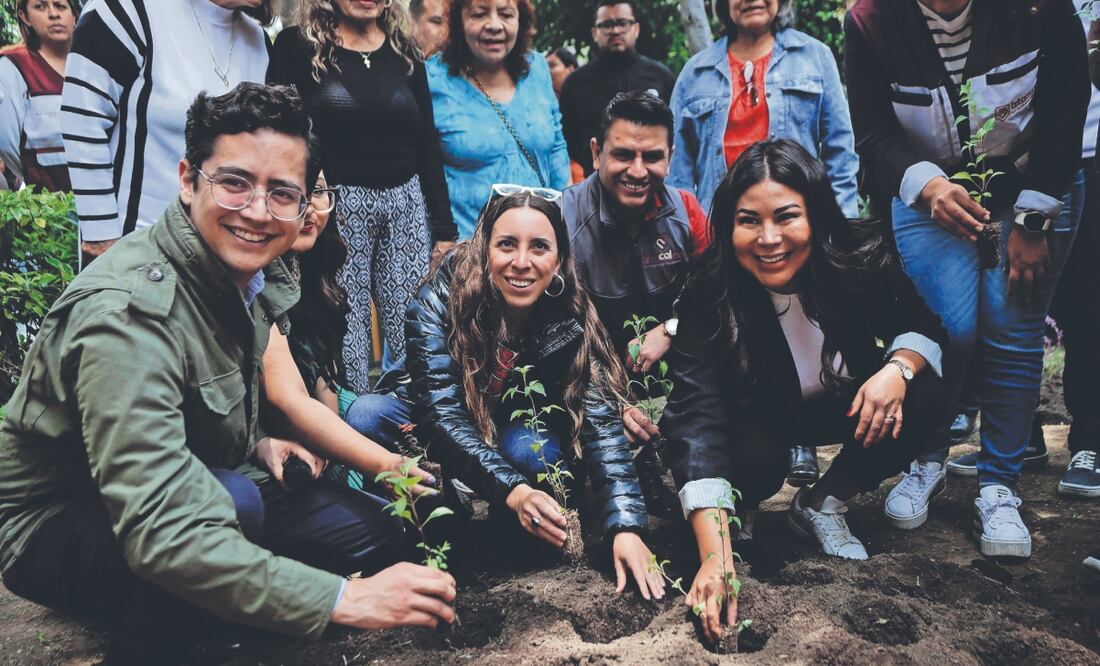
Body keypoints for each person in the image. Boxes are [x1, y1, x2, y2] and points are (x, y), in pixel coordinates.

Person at [0, 83, 456, 665]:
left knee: (372, 535)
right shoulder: (128, 313)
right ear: (190, 180)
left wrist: (262, 440)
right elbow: (160, 523)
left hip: (204, 473)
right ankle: (173, 637)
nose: (258, 212)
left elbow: (237, 401)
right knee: (230, 505)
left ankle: (225, 603)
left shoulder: (252, 276)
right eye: (235, 182)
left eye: (282, 192)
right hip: (69, 518)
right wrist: (344, 600)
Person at [661, 140, 946, 642]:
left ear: (814, 214)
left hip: (844, 401)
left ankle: (823, 502)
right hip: (757, 420)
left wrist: (896, 369)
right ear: (729, 226)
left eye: (787, 217)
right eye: (749, 220)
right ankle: (734, 516)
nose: (769, 238)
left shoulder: (857, 256)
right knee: (755, 461)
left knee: (922, 393)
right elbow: (695, 415)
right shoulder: (711, 289)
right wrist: (714, 558)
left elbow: (923, 325)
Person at [846, 0, 1089, 558]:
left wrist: (1033, 217)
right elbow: (874, 132)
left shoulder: (1040, 9)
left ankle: (999, 485)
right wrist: (928, 188)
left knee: (1011, 328)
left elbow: (1066, 109)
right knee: (943, 328)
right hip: (930, 196)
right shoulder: (869, 21)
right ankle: (924, 459)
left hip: (1034, 189)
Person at [404, 188, 664, 599]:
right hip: (445, 428)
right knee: (368, 416)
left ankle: (525, 523)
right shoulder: (440, 299)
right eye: (507, 244)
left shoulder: (568, 312)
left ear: (558, 260)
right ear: (484, 247)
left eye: (539, 247)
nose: (521, 262)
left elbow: (599, 423)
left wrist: (626, 528)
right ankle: (448, 521)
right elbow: (441, 416)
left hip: (516, 429)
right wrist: (515, 491)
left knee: (530, 451)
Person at [947, 0, 1100, 499]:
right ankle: (1020, 437)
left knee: (1086, 304)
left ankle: (1091, 440)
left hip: (1086, 154)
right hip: (1012, 164)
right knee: (1009, 306)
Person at [268, 0, 457, 393]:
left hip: (405, 204)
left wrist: (443, 228)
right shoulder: (296, 46)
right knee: (344, 331)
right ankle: (348, 430)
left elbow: (427, 143)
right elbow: (280, 131)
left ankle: (417, 429)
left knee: (414, 329)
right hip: (336, 207)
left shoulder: (405, 49)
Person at [561, 91, 707, 517]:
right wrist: (605, 402)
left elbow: (721, 299)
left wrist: (671, 329)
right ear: (595, 152)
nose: (638, 171)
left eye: (653, 157)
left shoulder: (688, 213)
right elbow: (546, 337)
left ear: (671, 156)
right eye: (623, 155)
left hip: (667, 367)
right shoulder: (560, 220)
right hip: (582, 378)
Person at [62, 0, 273, 261]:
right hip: (136, 248)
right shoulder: (128, 10)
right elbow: (82, 119)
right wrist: (102, 236)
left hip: (223, 259)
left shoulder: (259, 41)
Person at [668, 0, 859, 218]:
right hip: (717, 229)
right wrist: (684, 232)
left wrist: (842, 224)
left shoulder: (815, 57)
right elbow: (677, 170)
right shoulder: (695, 73)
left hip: (796, 223)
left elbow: (841, 151)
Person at [428, 0, 569, 238]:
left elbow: (556, 148)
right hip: (465, 250)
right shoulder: (432, 77)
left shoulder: (537, 69)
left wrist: (565, 224)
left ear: (520, 21)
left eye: (506, 14)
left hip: (536, 246)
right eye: (479, 14)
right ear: (459, 21)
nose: (494, 25)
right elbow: (424, 168)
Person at [559, 0, 675, 178]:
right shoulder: (575, 83)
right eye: (607, 24)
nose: (615, 30)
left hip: (651, 184)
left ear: (636, 29)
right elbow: (569, 138)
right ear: (594, 33)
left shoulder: (661, 77)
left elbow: (674, 132)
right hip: (595, 181)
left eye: (622, 23)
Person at [0, 0, 78, 192]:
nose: (53, 14)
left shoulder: (92, 64)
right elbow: (8, 144)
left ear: (74, 15)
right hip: (47, 206)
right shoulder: (13, 65)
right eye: (40, 7)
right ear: (24, 16)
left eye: (60, 6)